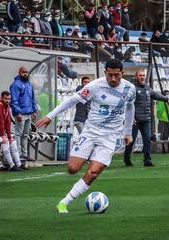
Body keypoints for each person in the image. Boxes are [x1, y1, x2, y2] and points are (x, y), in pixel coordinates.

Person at [35, 59, 136, 213]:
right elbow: (72, 100)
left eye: (117, 75)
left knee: (93, 172)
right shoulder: (95, 86)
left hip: (109, 136)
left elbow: (130, 108)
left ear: (122, 73)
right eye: (110, 75)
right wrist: (50, 116)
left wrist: (128, 132)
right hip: (90, 132)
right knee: (72, 169)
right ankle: (90, 155)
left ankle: (64, 203)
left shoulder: (130, 89)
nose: (113, 79)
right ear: (105, 73)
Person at [123, 69, 169, 167]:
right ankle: (127, 157)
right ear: (136, 76)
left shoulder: (147, 88)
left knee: (147, 140)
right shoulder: (131, 88)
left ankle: (147, 160)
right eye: (140, 75)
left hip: (146, 119)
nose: (142, 77)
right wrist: (129, 117)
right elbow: (125, 103)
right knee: (130, 141)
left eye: (143, 75)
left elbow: (156, 95)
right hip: (134, 120)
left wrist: (167, 99)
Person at [10, 67, 38, 161]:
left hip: (29, 113)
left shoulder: (29, 84)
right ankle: (18, 154)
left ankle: (24, 154)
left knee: (25, 134)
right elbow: (14, 100)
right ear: (19, 72)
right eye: (23, 72)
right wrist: (17, 113)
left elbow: (32, 98)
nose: (25, 74)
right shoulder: (15, 84)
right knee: (18, 134)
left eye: (26, 72)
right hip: (20, 114)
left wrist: (34, 110)